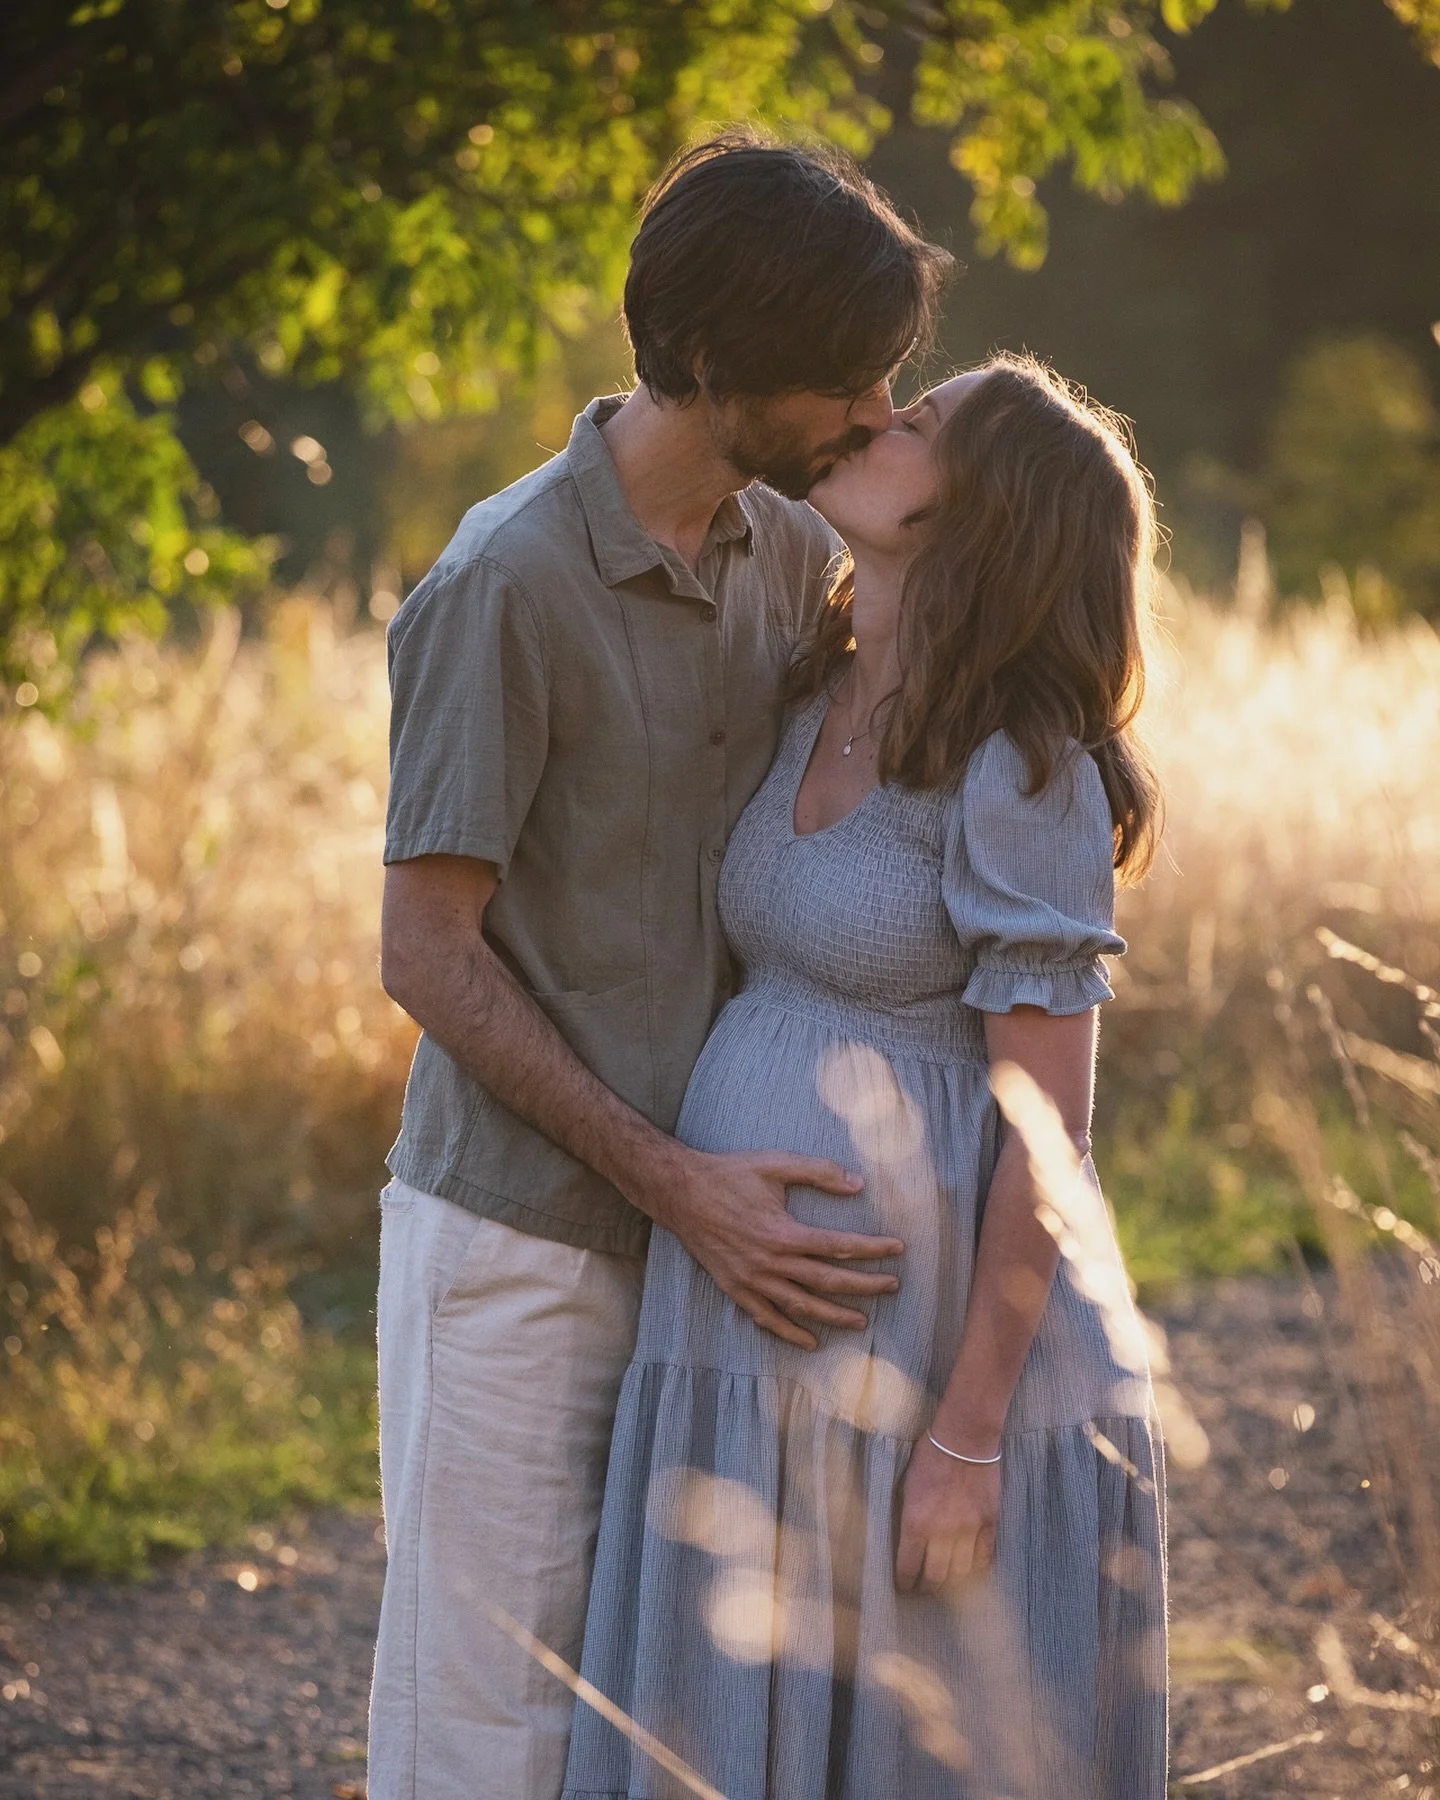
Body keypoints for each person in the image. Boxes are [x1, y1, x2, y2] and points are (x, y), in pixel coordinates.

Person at [368, 132, 952, 1800]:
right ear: (707, 359)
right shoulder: (503, 583)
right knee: (488, 1733)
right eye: (844, 376)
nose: (874, 411)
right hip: (524, 1250)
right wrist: (677, 1184)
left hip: (720, 1262)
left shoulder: (788, 552)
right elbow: (425, 955)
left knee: (657, 1724)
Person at [562, 353, 1169, 1800]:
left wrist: (968, 1441)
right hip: (742, 1349)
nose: (876, 419)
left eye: (921, 422)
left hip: (928, 1378)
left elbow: (1051, 1137)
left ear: (983, 513)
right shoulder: (810, 694)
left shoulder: (1021, 765)